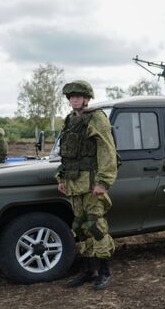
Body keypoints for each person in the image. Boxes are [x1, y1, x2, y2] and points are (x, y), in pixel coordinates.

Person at [56, 80, 118, 290]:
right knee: (80, 227)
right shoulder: (70, 120)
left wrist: (103, 182)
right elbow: (66, 154)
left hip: (91, 184)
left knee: (95, 225)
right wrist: (62, 178)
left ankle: (105, 271)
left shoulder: (96, 118)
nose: (74, 99)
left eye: (78, 96)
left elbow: (107, 151)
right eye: (71, 96)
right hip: (74, 183)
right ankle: (88, 270)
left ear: (86, 98)